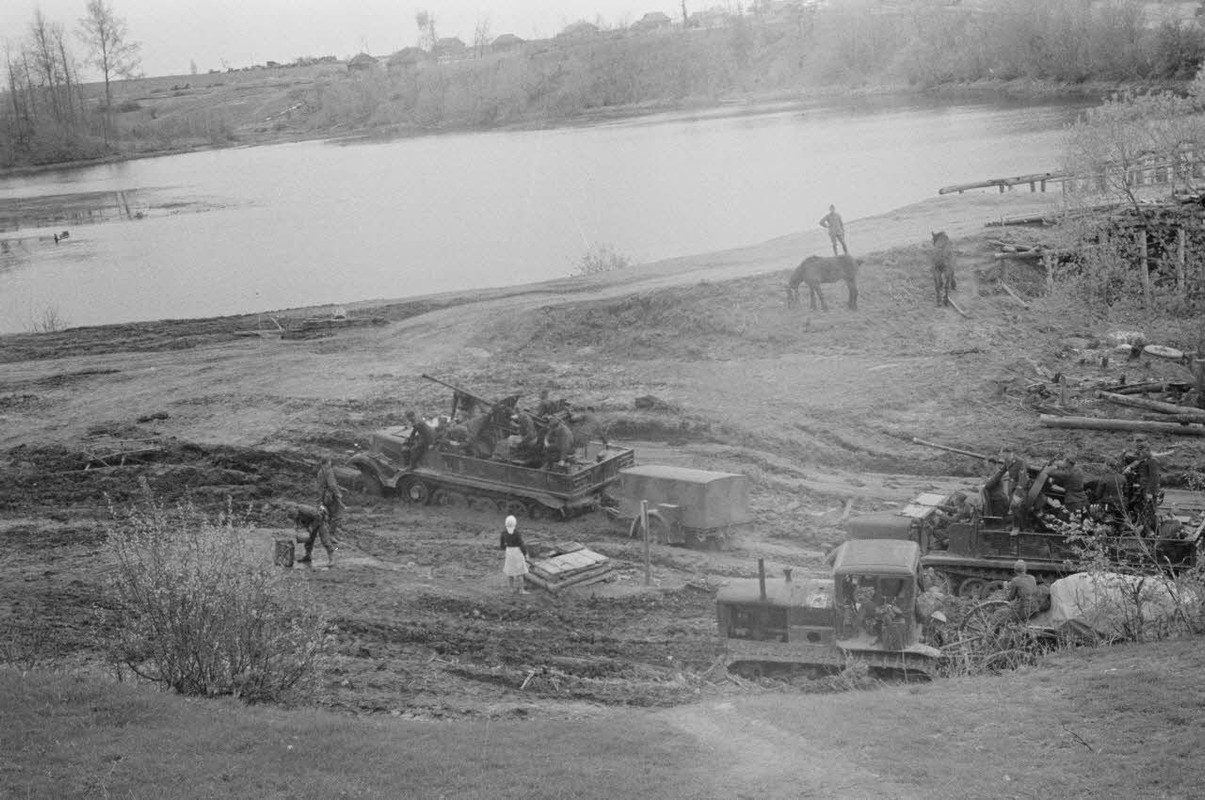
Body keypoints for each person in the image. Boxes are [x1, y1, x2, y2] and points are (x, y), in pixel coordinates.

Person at [1122, 437, 1161, 529]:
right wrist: (1129, 468)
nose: (1140, 454)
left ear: (1148, 452)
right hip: (1141, 488)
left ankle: (1153, 529)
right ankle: (1142, 527)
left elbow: (1154, 479)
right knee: (1140, 508)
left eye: (1142, 452)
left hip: (1148, 490)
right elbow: (1136, 462)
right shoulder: (1144, 459)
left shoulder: (1152, 461)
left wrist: (1150, 493)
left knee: (1149, 510)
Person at [1047, 455, 1088, 519]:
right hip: (1083, 499)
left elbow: (1049, 472)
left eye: (1064, 461)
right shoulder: (1079, 470)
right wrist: (1060, 465)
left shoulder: (1067, 473)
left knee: (1064, 519)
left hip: (1073, 501)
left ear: (1068, 462)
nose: (1062, 462)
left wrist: (1054, 465)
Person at [316, 458, 345, 546]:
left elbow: (321, 485)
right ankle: (331, 535)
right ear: (327, 463)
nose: (330, 463)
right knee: (336, 515)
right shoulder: (329, 471)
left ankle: (326, 535)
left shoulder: (320, 472)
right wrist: (338, 494)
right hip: (330, 496)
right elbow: (332, 485)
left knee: (326, 515)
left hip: (323, 496)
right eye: (330, 462)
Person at [499, 514, 529, 595]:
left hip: (509, 551)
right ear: (515, 523)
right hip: (517, 552)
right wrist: (525, 554)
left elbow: (501, 545)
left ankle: (511, 589)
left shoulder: (503, 533)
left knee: (510, 572)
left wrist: (507, 548)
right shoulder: (517, 533)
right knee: (520, 572)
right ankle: (521, 590)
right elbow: (521, 544)